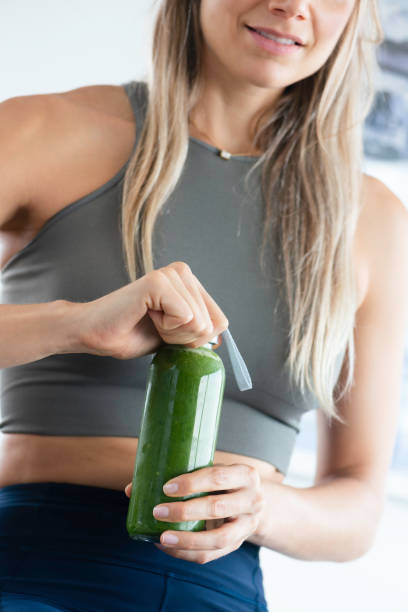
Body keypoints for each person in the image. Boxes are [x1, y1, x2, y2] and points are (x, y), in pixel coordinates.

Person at [0, 0, 407, 610]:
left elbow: (357, 506)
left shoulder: (373, 220)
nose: (291, 7)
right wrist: (74, 325)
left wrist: (265, 506)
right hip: (27, 563)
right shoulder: (41, 130)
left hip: (219, 589)